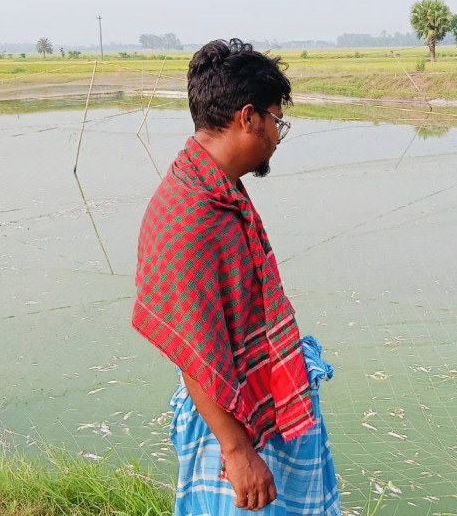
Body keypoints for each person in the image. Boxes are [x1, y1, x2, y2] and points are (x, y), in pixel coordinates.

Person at [132, 39, 339, 514]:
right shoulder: (191, 214)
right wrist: (238, 450)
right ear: (249, 118)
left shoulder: (214, 187)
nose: (276, 136)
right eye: (276, 121)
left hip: (256, 408)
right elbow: (194, 346)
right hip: (232, 424)